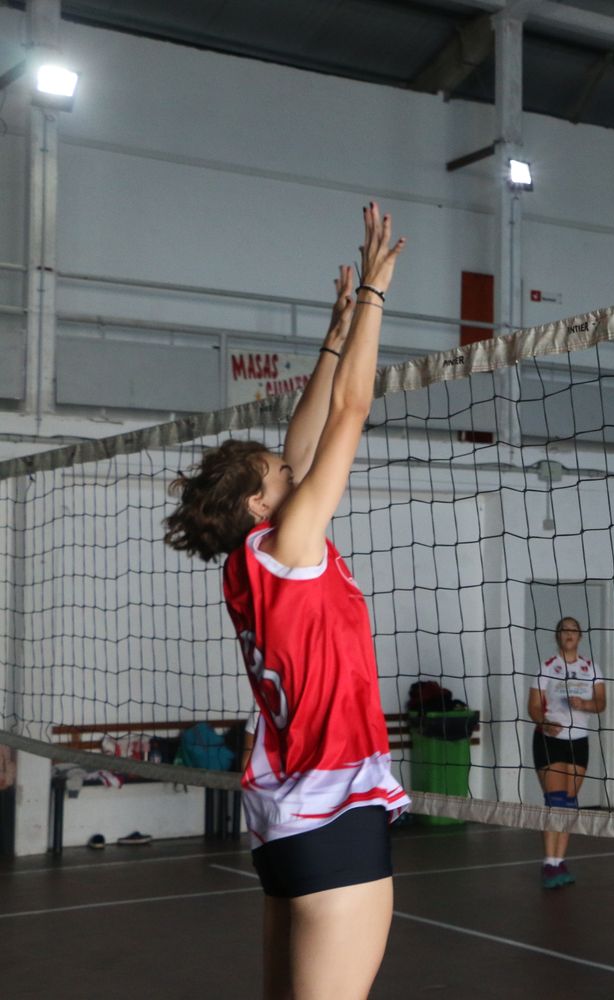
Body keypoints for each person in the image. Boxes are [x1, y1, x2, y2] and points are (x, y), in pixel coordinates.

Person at [164, 204, 409, 999]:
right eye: (279, 474)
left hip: (288, 819)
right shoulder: (291, 548)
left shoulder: (249, 561)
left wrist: (333, 335)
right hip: (335, 810)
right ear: (264, 509)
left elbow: (302, 440)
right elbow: (349, 413)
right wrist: (374, 295)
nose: (292, 468)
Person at [529, 615, 605, 889]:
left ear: (580, 636)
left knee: (570, 804)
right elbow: (534, 706)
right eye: (564, 630)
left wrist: (584, 705)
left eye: (574, 630)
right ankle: (548, 863)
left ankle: (560, 861)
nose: (569, 634)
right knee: (556, 801)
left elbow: (600, 703)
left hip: (579, 741)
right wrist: (544, 722)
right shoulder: (547, 667)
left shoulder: (590, 667)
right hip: (550, 740)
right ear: (558, 636)